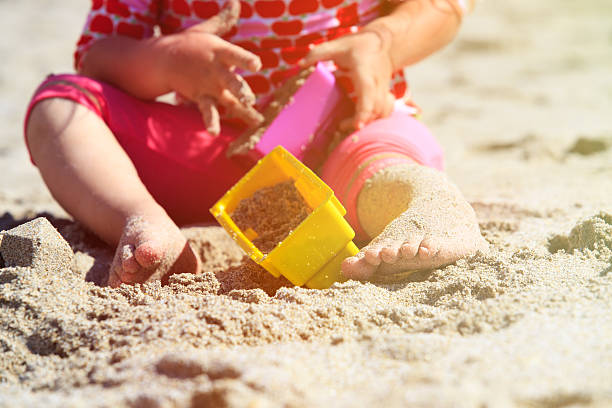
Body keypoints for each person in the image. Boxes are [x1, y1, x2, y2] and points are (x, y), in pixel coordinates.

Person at [24, 0, 486, 287]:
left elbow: (440, 7)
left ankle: (426, 204)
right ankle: (141, 219)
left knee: (383, 154)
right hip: (213, 155)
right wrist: (164, 61)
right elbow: (100, 53)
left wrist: (382, 43)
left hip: (349, 128)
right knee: (60, 104)